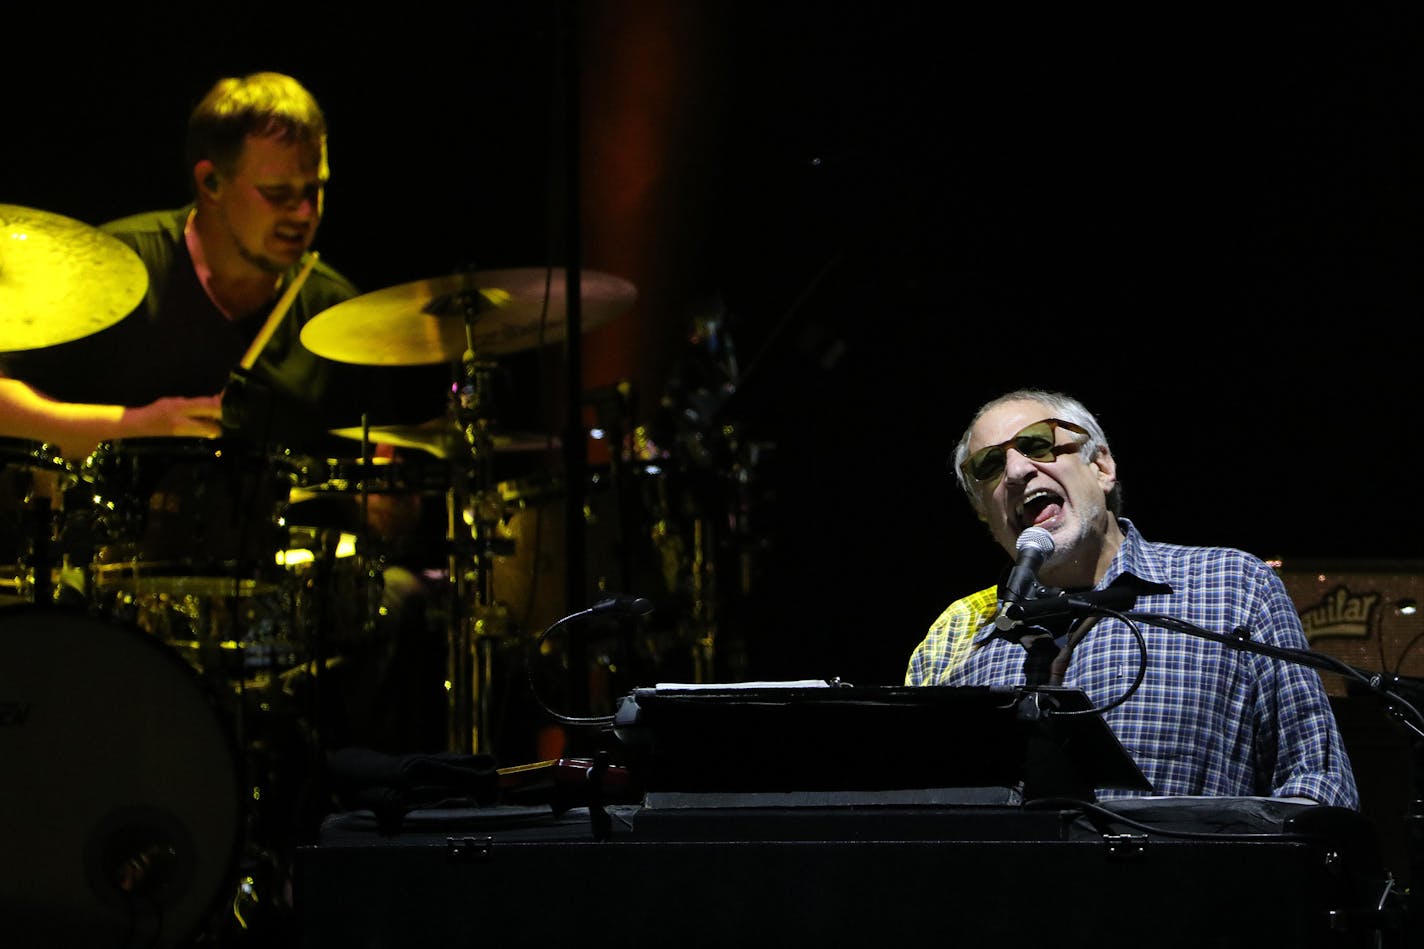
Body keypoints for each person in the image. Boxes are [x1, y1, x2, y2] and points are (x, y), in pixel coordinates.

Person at [905, 387, 1359, 808]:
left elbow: (1317, 781)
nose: (1018, 470)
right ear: (986, 515)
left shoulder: (1231, 587)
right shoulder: (955, 639)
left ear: (1101, 467)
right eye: (989, 466)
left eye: (1038, 443)